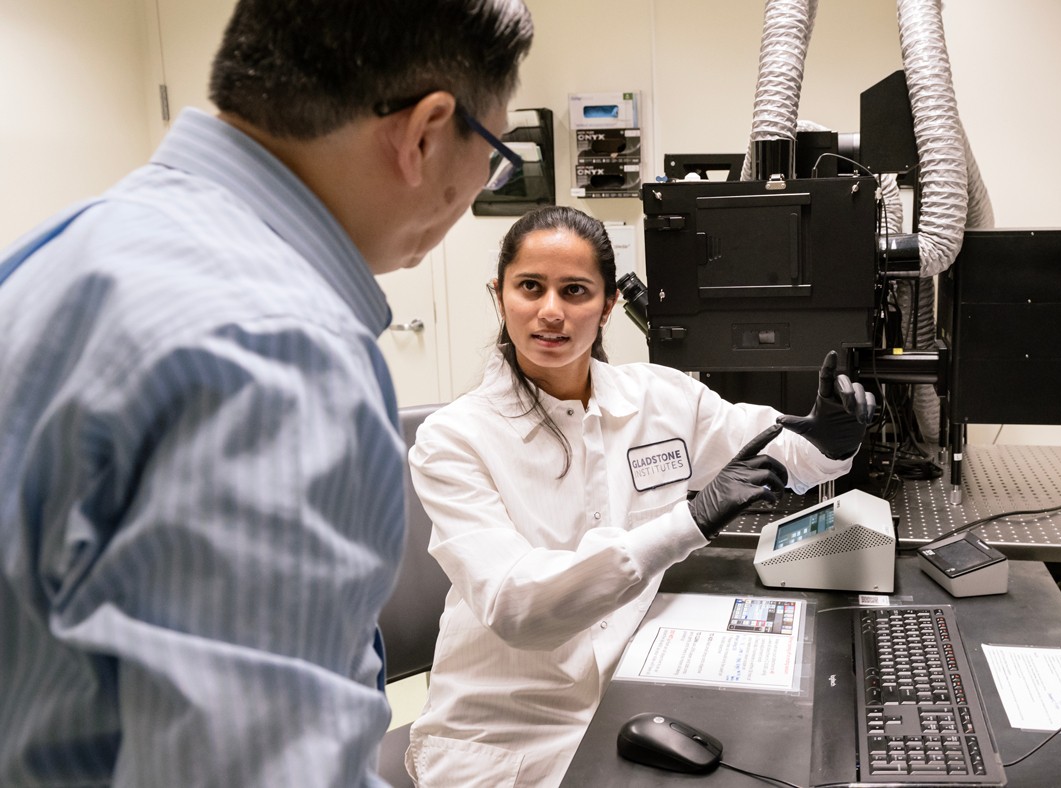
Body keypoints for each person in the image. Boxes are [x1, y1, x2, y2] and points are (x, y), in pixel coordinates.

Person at [0, 1, 533, 785]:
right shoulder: (281, 350)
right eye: (492, 150)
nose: (481, 183)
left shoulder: (62, 252)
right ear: (424, 132)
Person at [405, 205, 878, 786]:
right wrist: (687, 522)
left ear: (606, 307)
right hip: (506, 732)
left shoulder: (658, 396)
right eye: (530, 287)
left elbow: (776, 451)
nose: (550, 312)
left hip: (634, 693)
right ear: (499, 294)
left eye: (574, 291)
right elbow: (518, 608)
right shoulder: (454, 439)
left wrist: (828, 439)